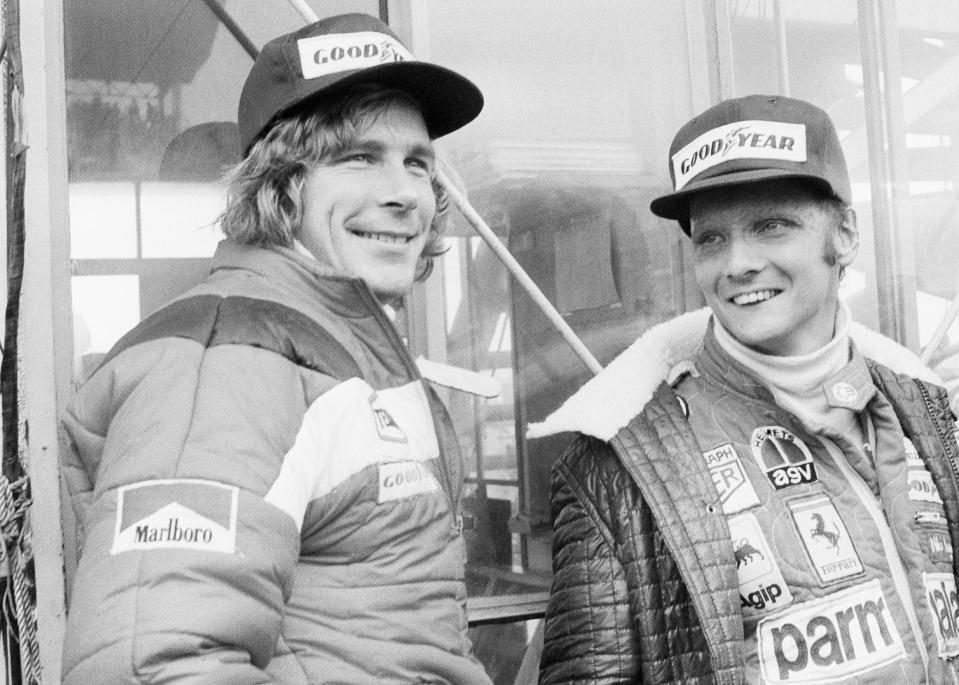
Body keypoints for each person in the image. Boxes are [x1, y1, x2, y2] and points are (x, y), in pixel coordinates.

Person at [59, 13, 492, 684]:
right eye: (358, 157)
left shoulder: (337, 344)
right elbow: (155, 667)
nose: (405, 193)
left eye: (416, 163)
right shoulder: (226, 364)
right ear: (280, 183)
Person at [533, 94, 959, 683]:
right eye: (711, 238)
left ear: (845, 235)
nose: (737, 263)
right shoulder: (616, 470)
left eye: (771, 226)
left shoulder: (929, 412)